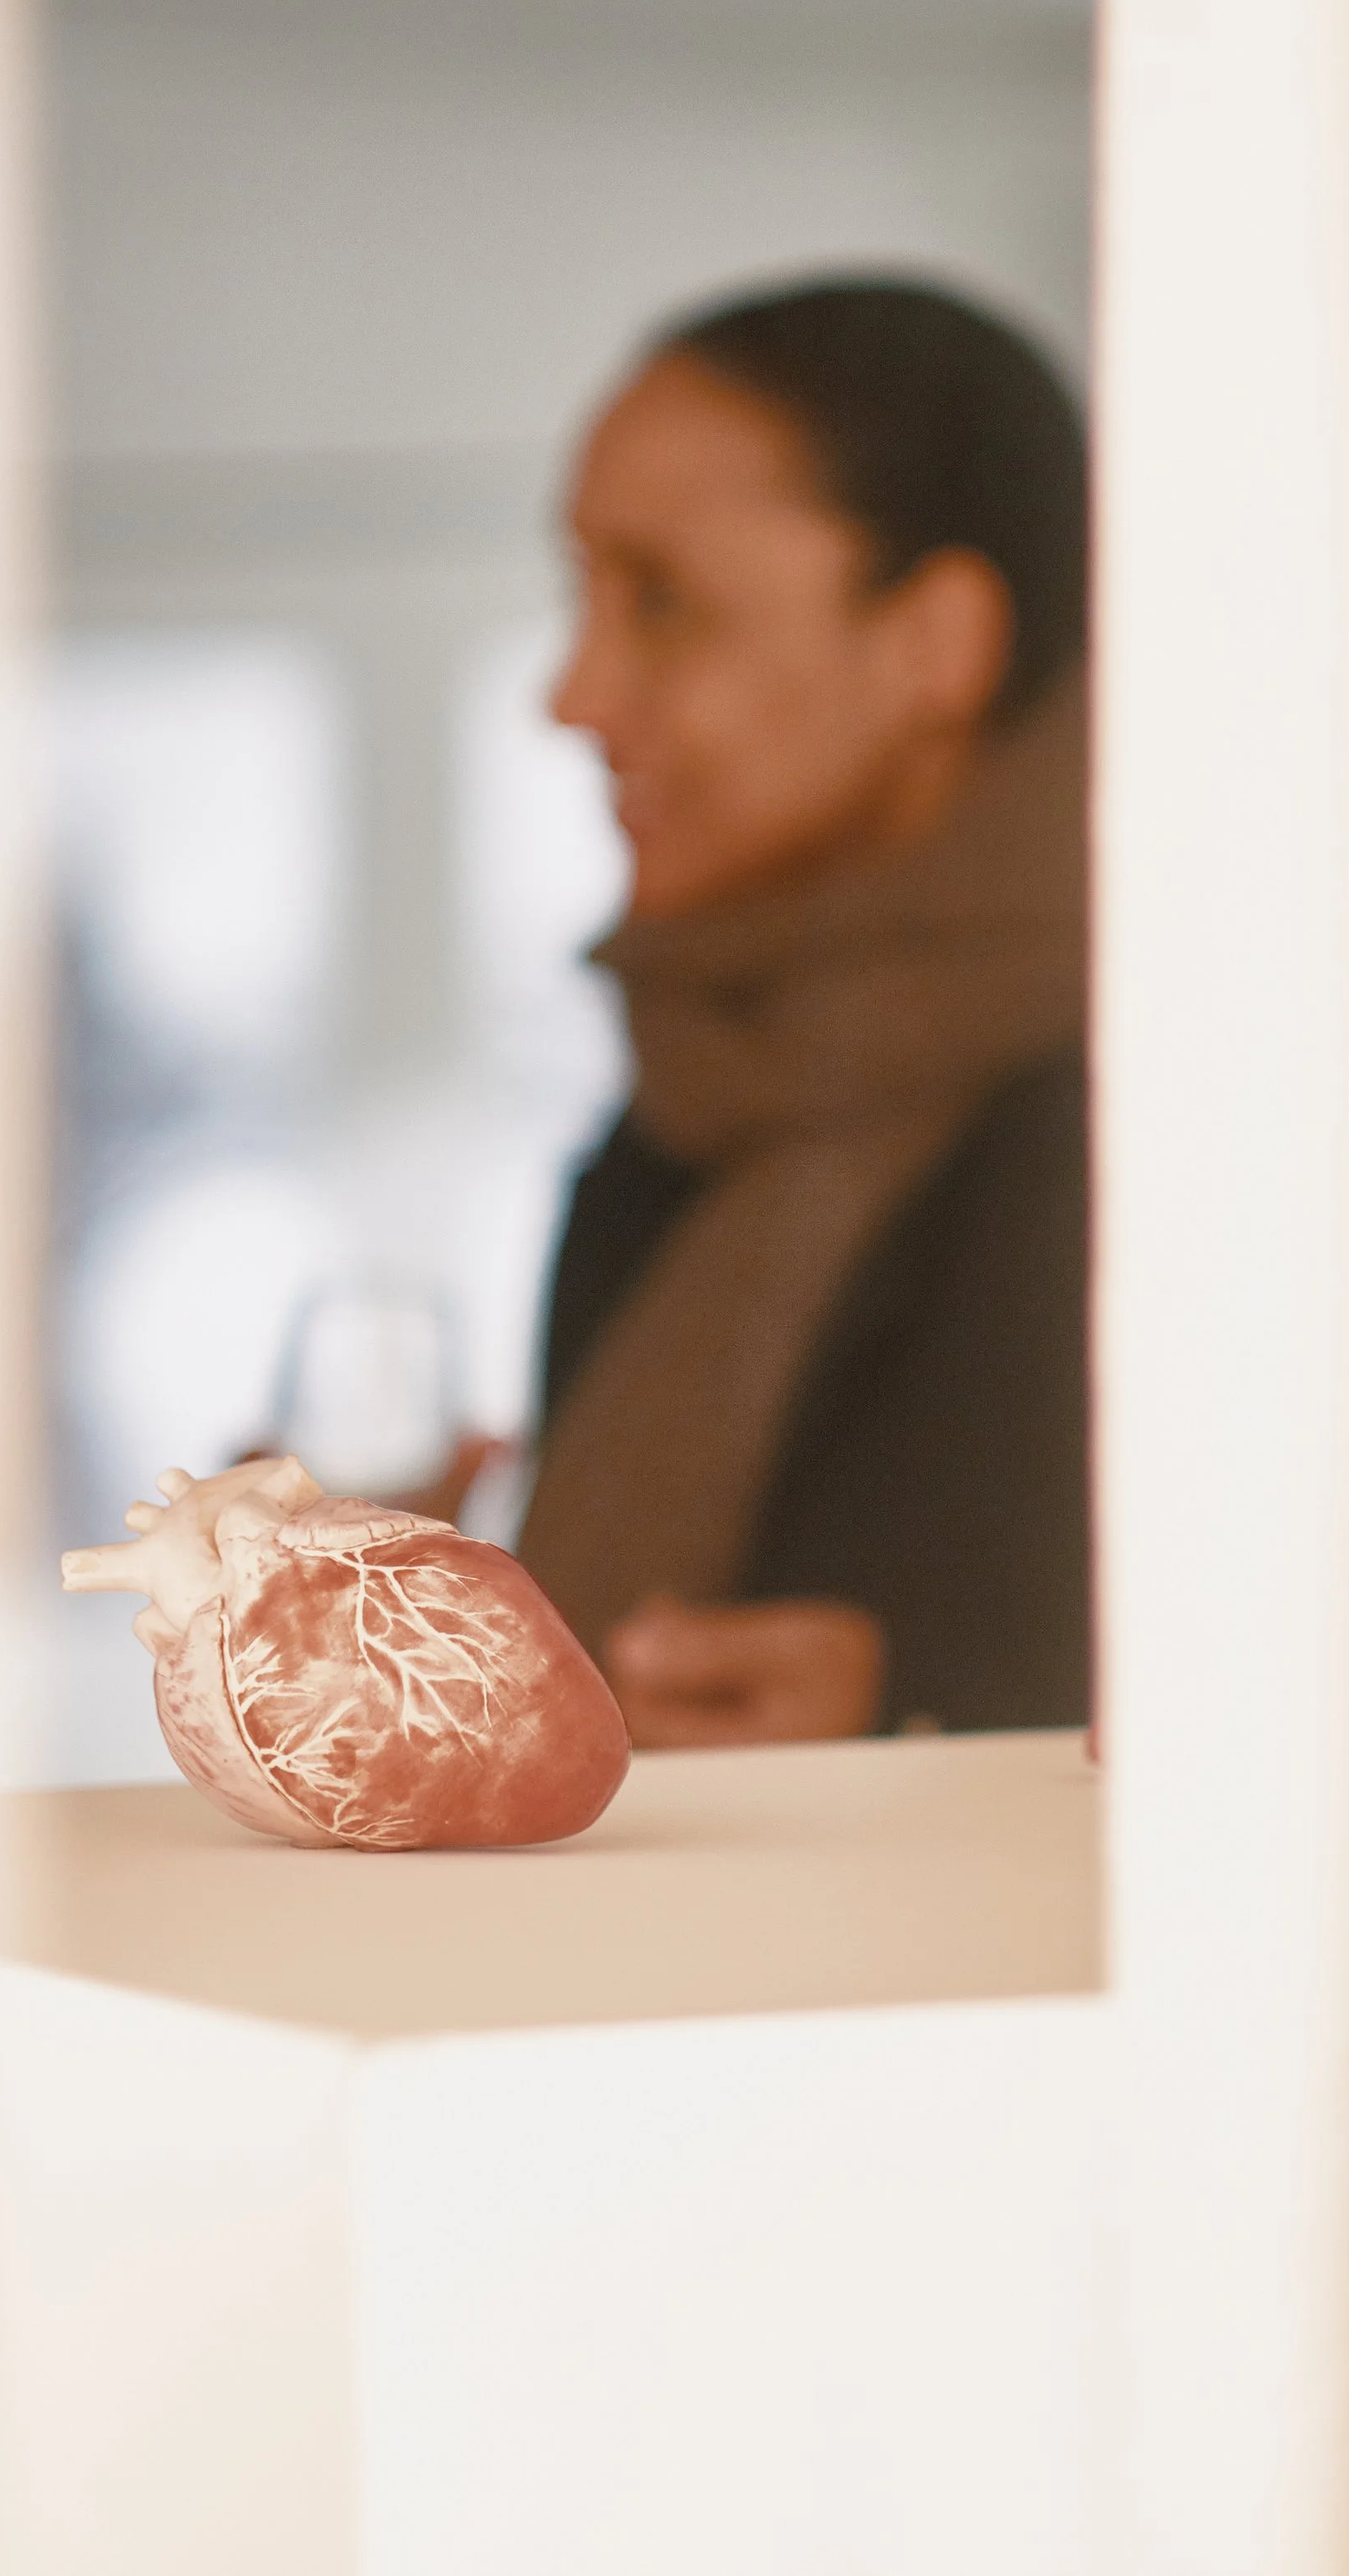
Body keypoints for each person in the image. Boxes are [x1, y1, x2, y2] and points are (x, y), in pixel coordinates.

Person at [514, 275, 1090, 1751]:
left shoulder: (1188, 1116)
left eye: (661, 601)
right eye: (577, 597)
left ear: (936, 644)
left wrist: (924, 1729)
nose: (570, 694)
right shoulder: (678, 1119)